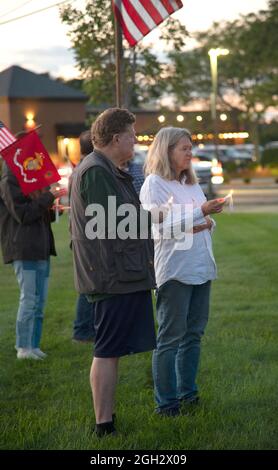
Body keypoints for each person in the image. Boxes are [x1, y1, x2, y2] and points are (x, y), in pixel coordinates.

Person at [70, 108, 156, 437]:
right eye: (132, 135)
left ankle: (107, 419)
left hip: (121, 272)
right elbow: (114, 223)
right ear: (117, 137)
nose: (136, 141)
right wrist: (170, 219)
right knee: (106, 350)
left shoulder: (107, 168)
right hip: (111, 275)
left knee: (112, 349)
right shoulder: (95, 171)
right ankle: (103, 425)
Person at [140, 127, 225, 416]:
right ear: (166, 151)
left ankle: (188, 394)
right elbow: (161, 227)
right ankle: (166, 404)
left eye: (191, 147)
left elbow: (199, 220)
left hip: (201, 267)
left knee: (193, 335)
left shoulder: (190, 184)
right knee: (170, 338)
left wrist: (209, 219)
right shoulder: (155, 184)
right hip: (175, 271)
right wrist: (201, 212)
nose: (190, 152)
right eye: (184, 148)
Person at [0, 161, 65, 360]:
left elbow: (39, 213)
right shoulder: (8, 182)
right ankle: (23, 347)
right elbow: (23, 214)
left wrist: (55, 209)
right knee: (29, 299)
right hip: (23, 248)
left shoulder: (35, 180)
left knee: (40, 301)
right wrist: (48, 197)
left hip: (41, 248)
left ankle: (34, 345)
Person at [72, 130, 96, 343]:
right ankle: (82, 329)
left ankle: (86, 327)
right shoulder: (89, 169)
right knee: (90, 284)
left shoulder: (81, 168)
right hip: (87, 236)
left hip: (83, 234)